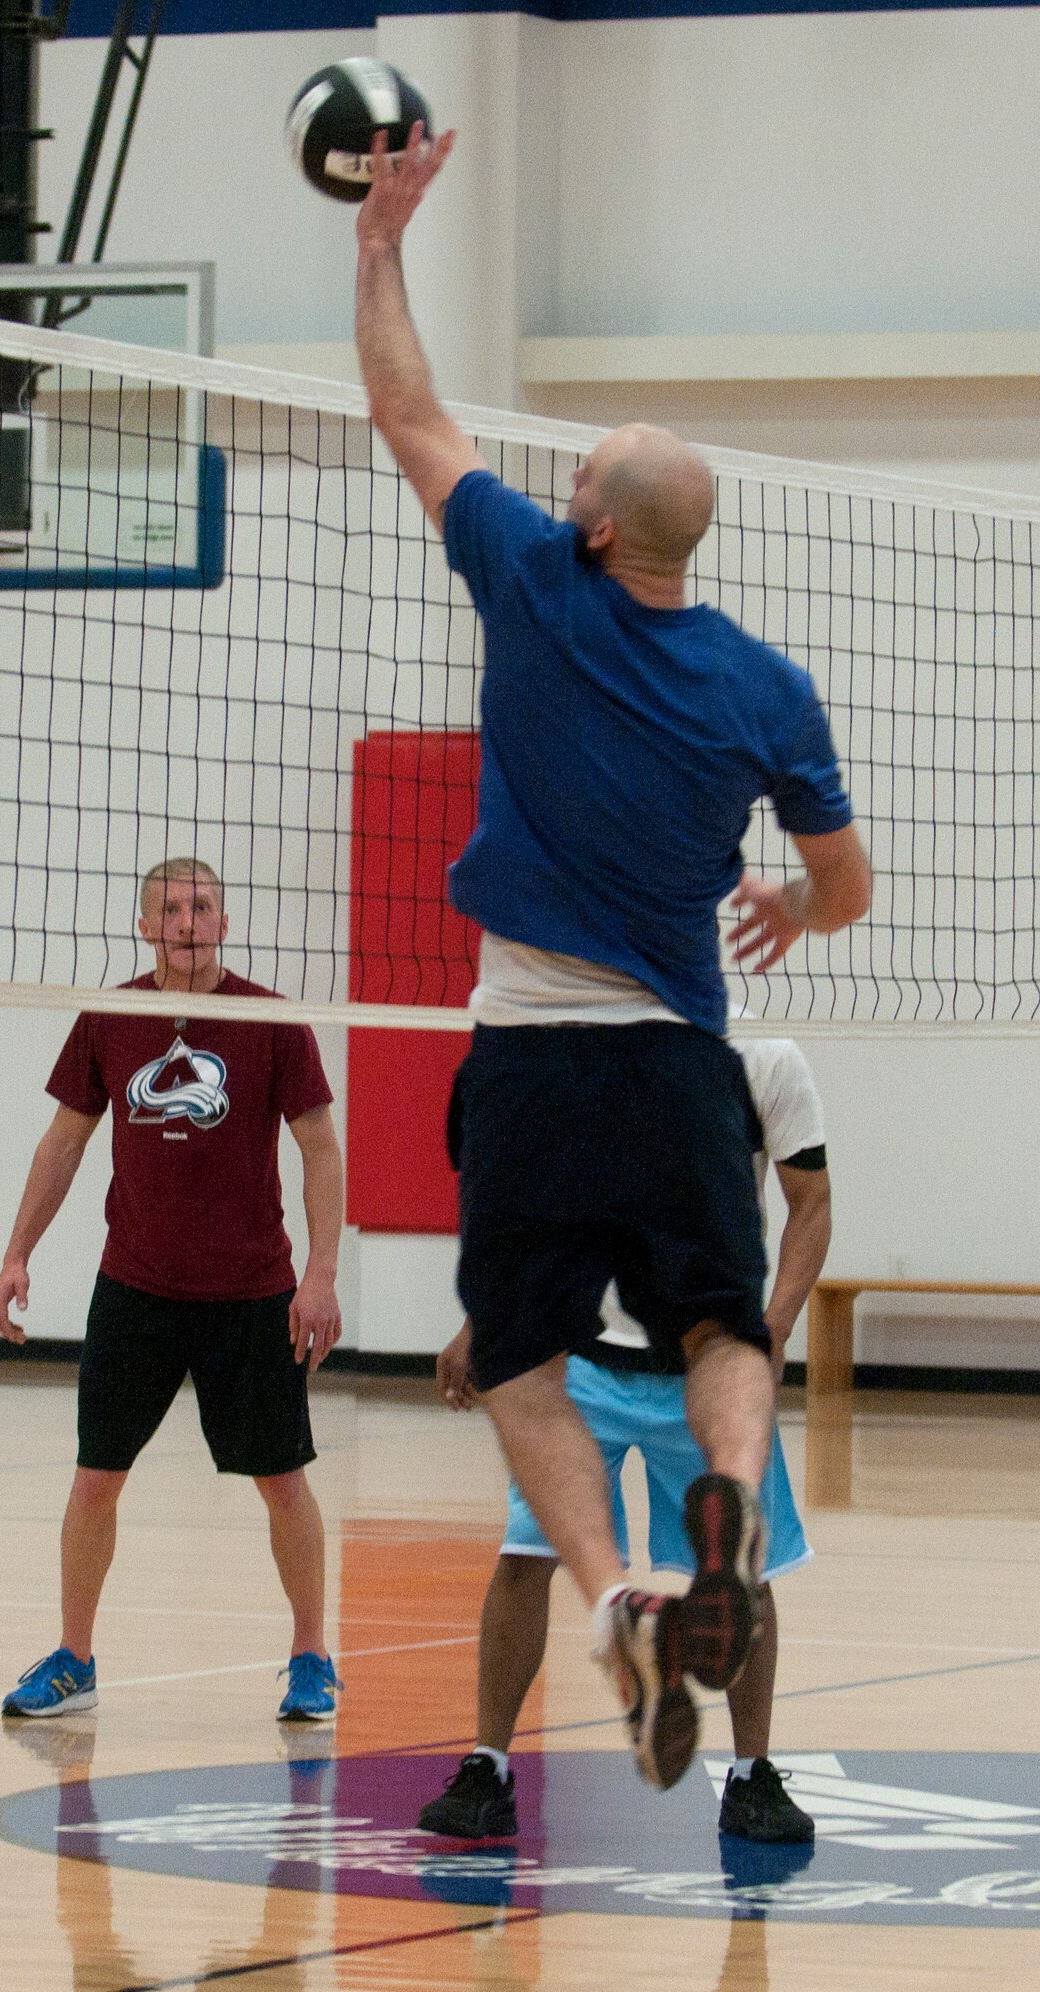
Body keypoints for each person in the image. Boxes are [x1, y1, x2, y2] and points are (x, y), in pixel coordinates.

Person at [353, 126, 872, 1788]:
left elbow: (411, 409)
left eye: (578, 470)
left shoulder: (532, 582)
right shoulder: (764, 688)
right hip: (675, 1060)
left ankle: (619, 1602)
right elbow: (844, 885)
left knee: (515, 1365)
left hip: (525, 1062)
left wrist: (380, 244)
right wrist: (791, 906)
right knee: (725, 1332)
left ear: (587, 519)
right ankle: (717, 1542)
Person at [420, 1037, 831, 1844]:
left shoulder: (763, 1061)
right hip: (587, 1364)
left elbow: (809, 1203)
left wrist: (770, 1330)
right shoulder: (580, 1053)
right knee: (523, 1557)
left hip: (706, 1364)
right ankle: (487, 1764)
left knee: (745, 1567)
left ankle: (751, 1775)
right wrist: (482, 1323)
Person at [0, 858, 345, 1722]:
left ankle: (310, 1656)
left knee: (282, 1481)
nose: (187, 921)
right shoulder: (114, 1014)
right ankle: (74, 1657)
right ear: (145, 926)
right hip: (135, 1289)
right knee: (94, 1480)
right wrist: (15, 1255)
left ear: (223, 920)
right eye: (170, 910)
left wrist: (320, 1275)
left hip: (251, 1293)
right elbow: (63, 1143)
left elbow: (321, 1150)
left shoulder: (269, 1020)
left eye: (202, 907)